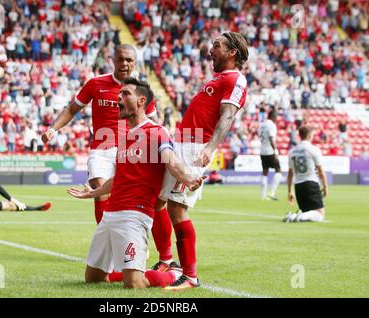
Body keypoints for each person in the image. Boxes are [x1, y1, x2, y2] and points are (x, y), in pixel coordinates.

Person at [68, 78, 204, 288]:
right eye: (119, 93)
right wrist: (92, 193)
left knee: (134, 284)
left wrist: (188, 178)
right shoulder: (125, 137)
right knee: (93, 278)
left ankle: (172, 273)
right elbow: (118, 178)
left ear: (141, 101)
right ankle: (142, 269)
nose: (118, 98)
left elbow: (172, 161)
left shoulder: (157, 132)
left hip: (135, 215)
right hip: (110, 215)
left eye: (125, 94)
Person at [154, 32, 249, 289]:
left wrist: (210, 147)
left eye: (217, 46)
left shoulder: (235, 79)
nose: (210, 50)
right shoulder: (218, 79)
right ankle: (167, 261)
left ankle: (190, 276)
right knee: (158, 202)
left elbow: (227, 116)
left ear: (233, 53)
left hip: (196, 147)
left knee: (176, 206)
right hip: (183, 143)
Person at [42, 44, 157, 225]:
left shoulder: (142, 90)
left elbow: (154, 123)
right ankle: (106, 245)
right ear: (113, 60)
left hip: (130, 152)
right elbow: (72, 109)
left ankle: (136, 247)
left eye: (129, 60)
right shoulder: (95, 84)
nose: (124, 63)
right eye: (120, 59)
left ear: (135, 63)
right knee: (101, 191)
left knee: (131, 201)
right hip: (101, 150)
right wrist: (53, 129)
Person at [283, 126, 328, 222]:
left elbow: (290, 174)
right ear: (310, 136)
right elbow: (321, 171)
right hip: (310, 183)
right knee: (320, 215)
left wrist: (290, 191)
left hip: (298, 186)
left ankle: (293, 216)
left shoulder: (292, 151)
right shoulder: (313, 150)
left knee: (308, 212)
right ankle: (299, 216)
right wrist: (325, 186)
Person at [259, 110, 282, 200]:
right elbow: (271, 138)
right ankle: (271, 193)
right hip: (270, 151)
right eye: (276, 117)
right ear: (273, 116)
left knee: (265, 172)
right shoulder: (271, 125)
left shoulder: (262, 125)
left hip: (262, 150)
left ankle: (263, 196)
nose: (276, 119)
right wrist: (275, 151)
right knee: (278, 170)